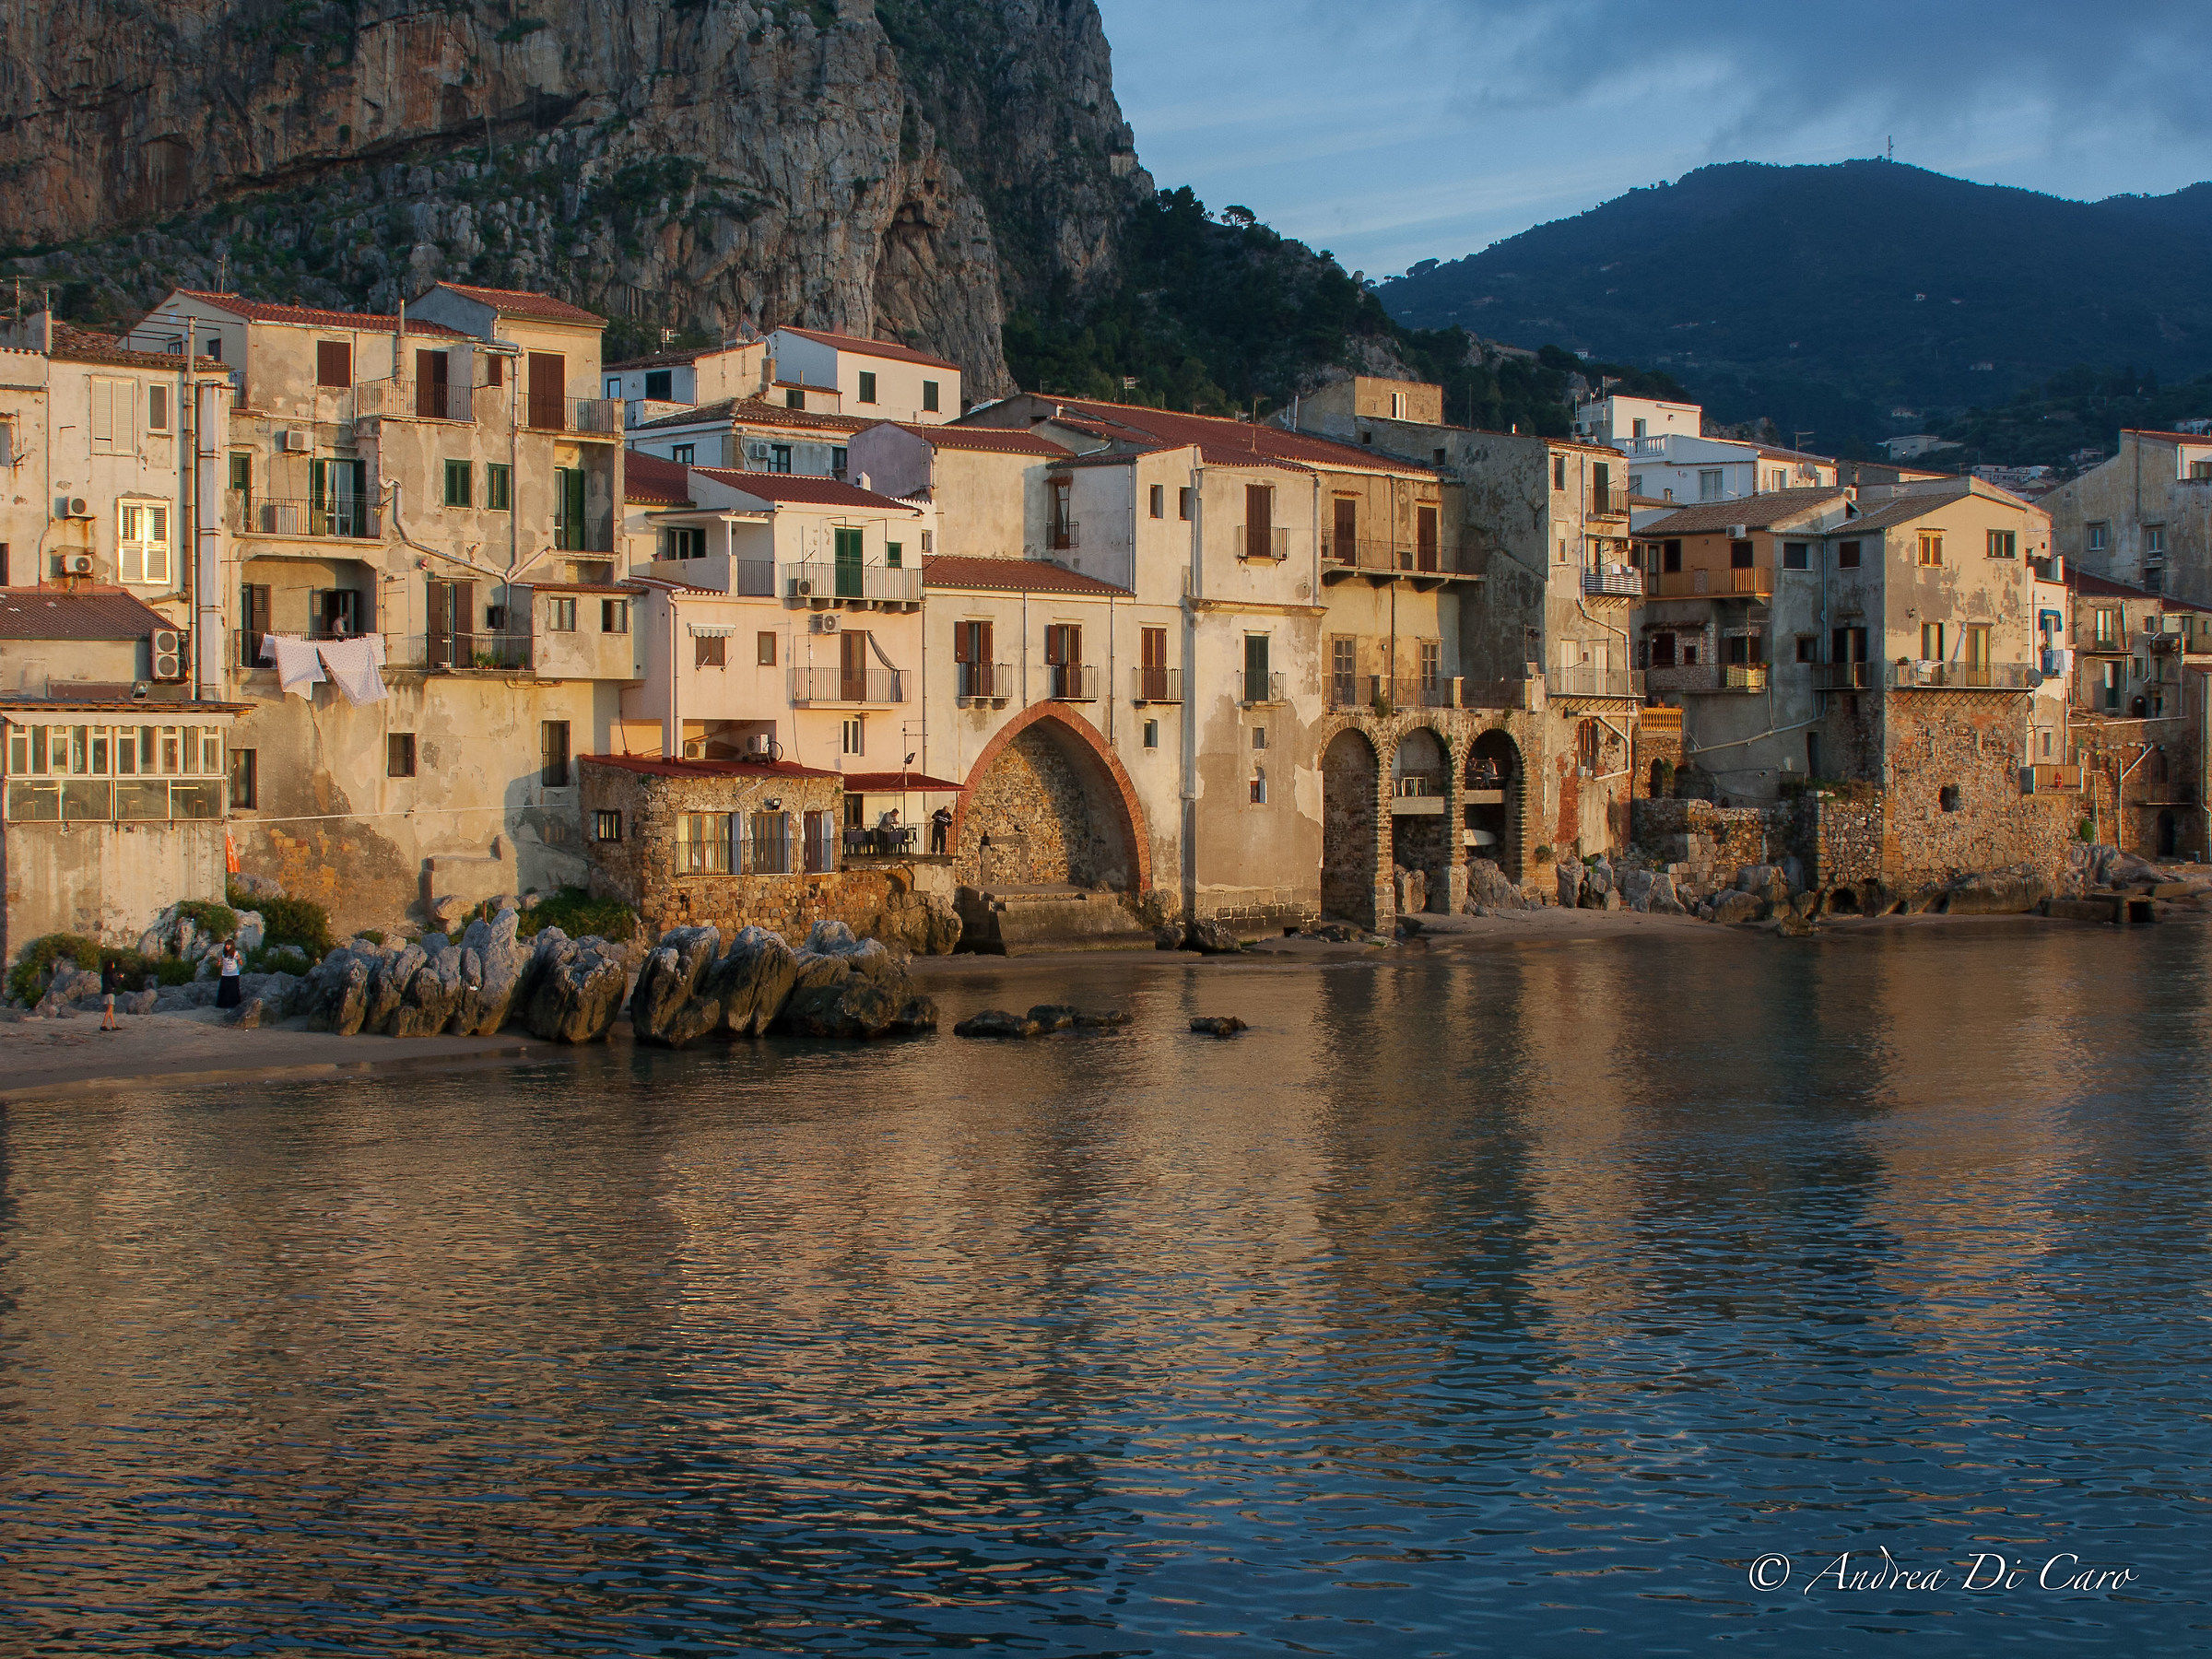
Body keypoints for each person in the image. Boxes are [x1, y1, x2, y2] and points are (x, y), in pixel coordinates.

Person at [214, 939, 244, 1010]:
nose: (227, 946)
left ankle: (234, 1004)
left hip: (234, 974)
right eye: (226, 945)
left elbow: (241, 963)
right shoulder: (223, 954)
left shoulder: (236, 953)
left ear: (232, 946)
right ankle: (223, 1005)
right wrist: (218, 962)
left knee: (234, 989)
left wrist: (239, 960)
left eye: (229, 945)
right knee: (224, 990)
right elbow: (218, 963)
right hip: (225, 974)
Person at [100, 957, 123, 1032]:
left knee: (110, 1010)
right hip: (110, 992)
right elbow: (115, 984)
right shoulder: (111, 974)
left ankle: (113, 1025)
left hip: (104, 992)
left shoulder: (104, 974)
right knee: (110, 1009)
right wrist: (120, 978)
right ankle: (103, 1024)